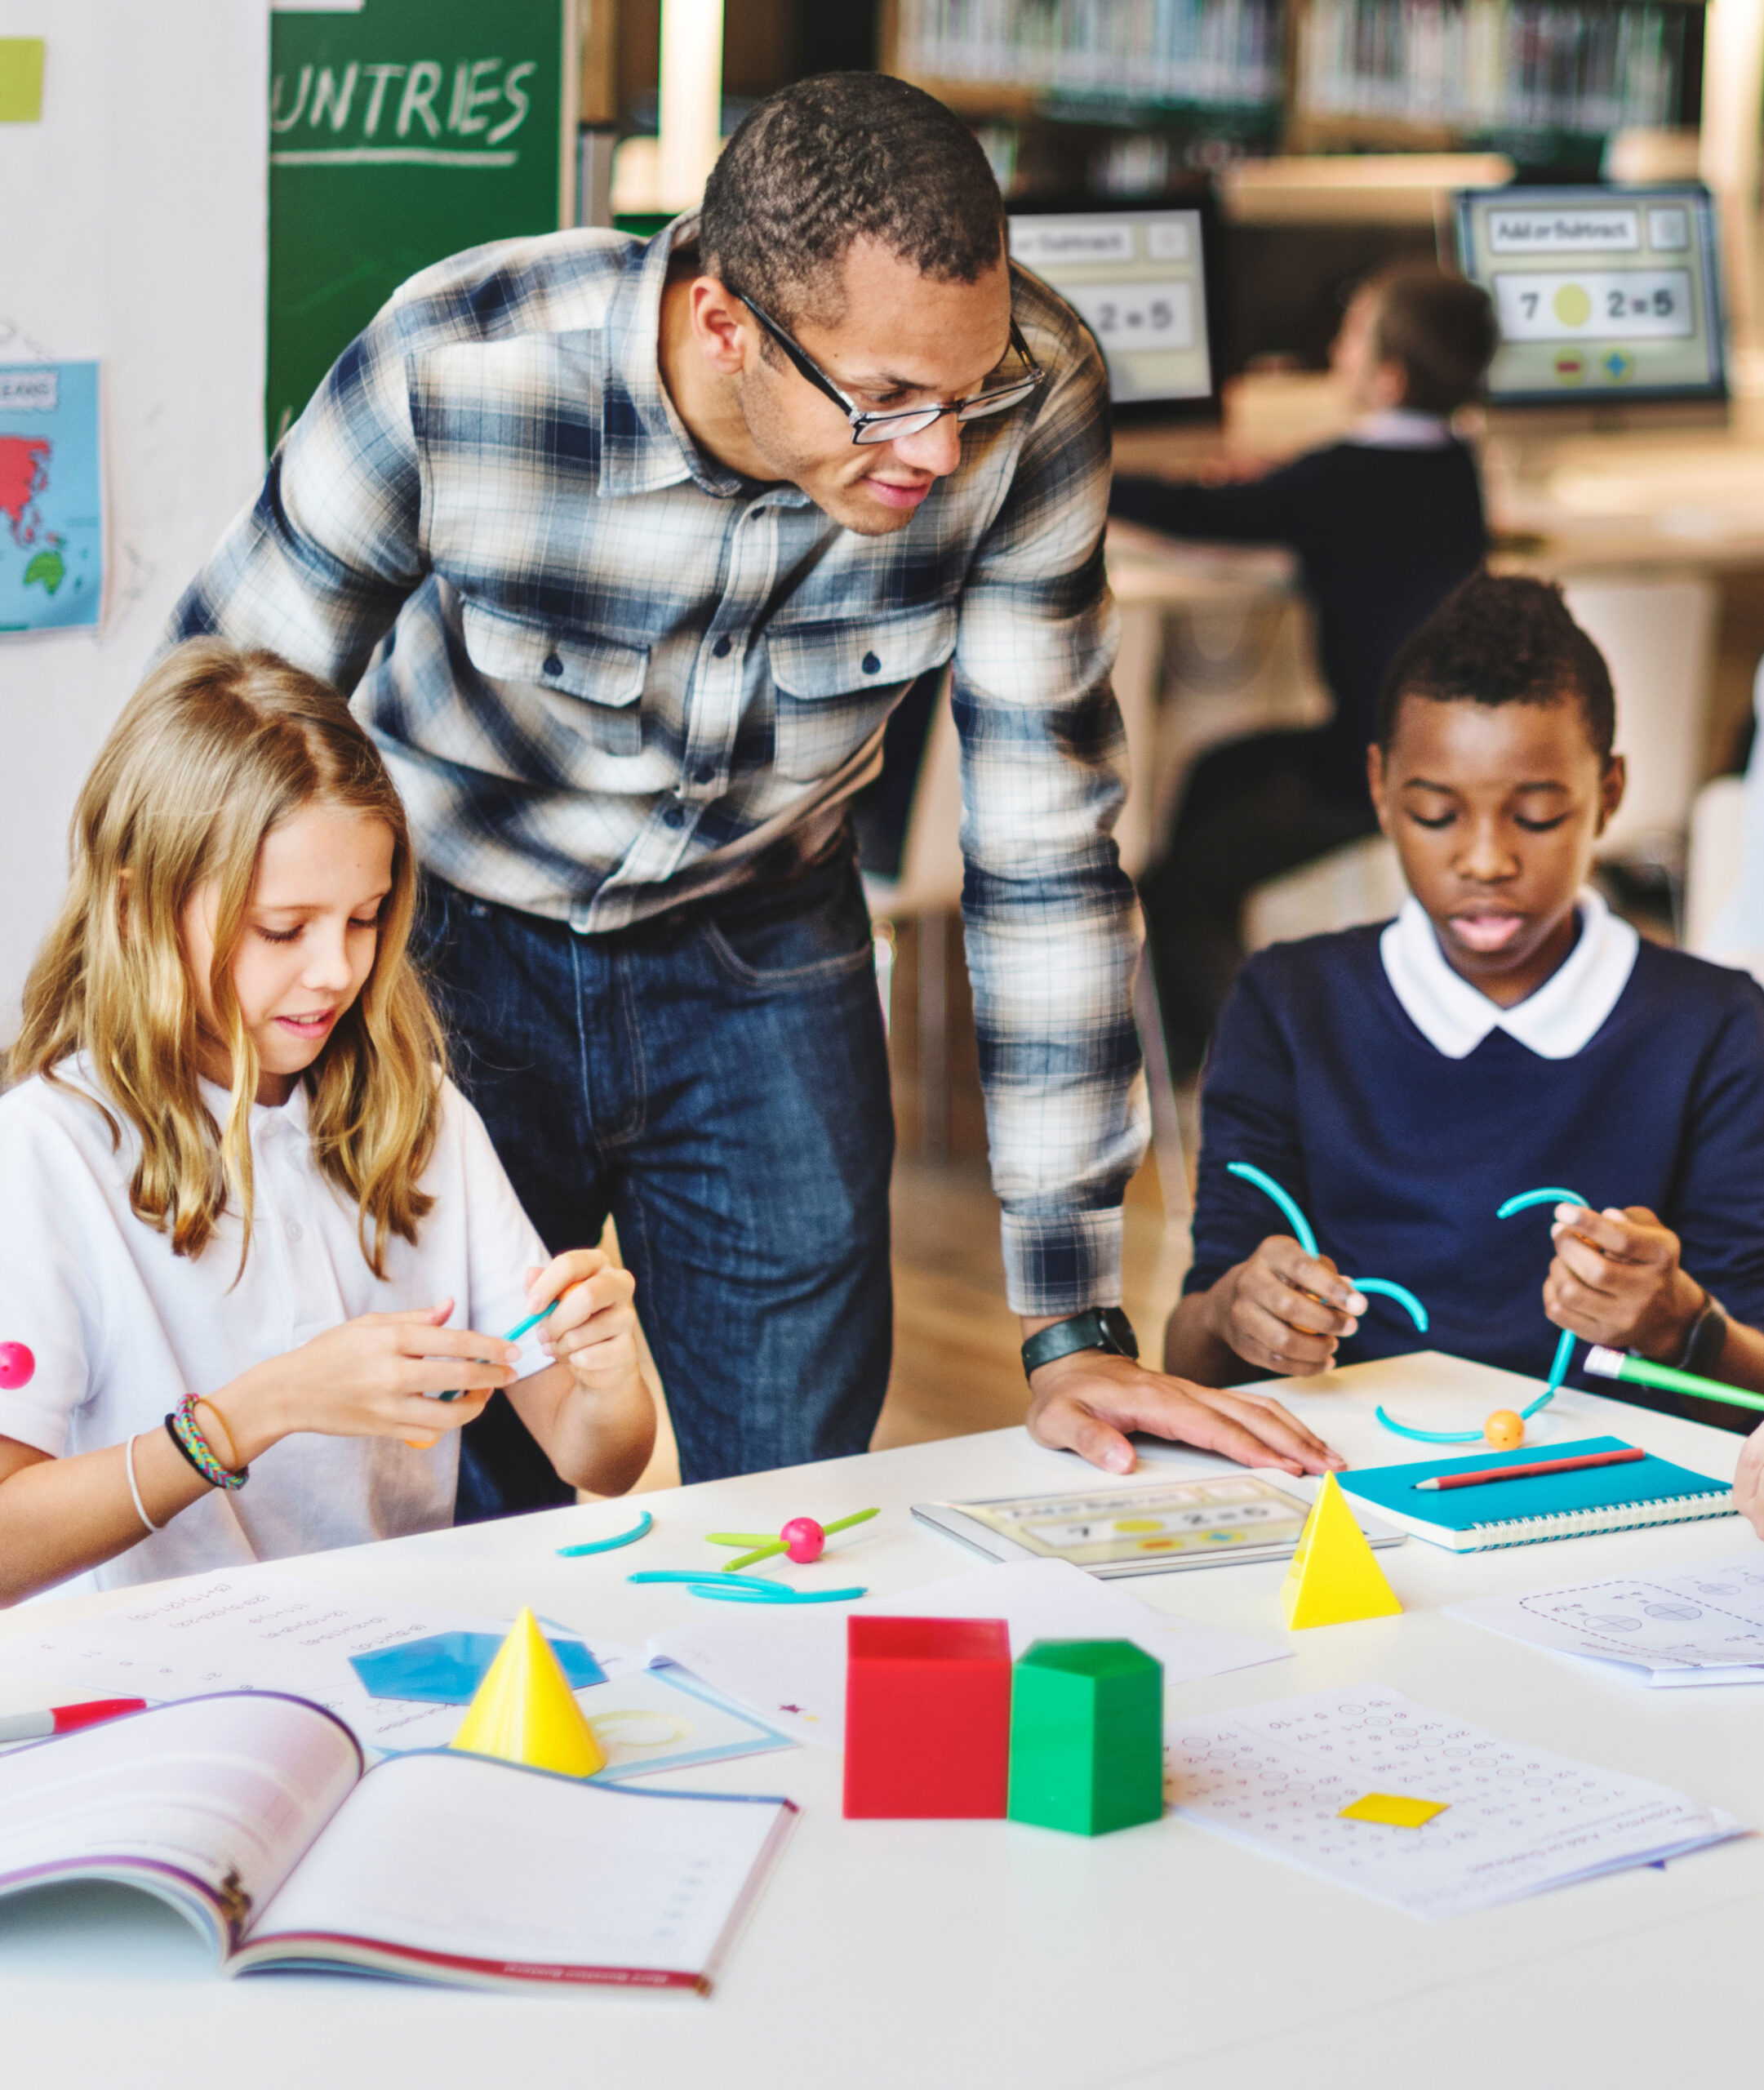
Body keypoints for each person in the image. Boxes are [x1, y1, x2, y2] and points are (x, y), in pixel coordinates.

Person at [167, 71, 1341, 1502]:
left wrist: (1069, 1322)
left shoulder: (1032, 398)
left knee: (798, 1496)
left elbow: (1045, 847)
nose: (941, 453)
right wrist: (166, 1100)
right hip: (440, 945)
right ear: (725, 323)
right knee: (454, 1479)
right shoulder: (461, 362)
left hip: (761, 936)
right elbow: (208, 743)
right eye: (890, 400)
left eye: (966, 394)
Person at [0, 642, 655, 1604]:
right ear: (139, 912)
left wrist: (609, 1372)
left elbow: (599, 1453)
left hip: (381, 1661)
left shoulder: (418, 1113)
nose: (337, 971)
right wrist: (267, 1407)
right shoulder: (46, 1150)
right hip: (144, 1697)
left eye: (365, 918)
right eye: (282, 929)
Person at [1166, 572, 1764, 1448]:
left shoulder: (1711, 1027)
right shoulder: (1288, 1004)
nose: (1485, 859)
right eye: (1436, 814)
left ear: (1610, 792)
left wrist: (1679, 1322)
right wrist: (1234, 1310)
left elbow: (1752, 1391)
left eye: (1536, 814)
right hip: (1339, 1487)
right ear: (1379, 789)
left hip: (1609, 1498)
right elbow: (1191, 1350)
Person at [1112, 264, 1497, 1070]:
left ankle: (1250, 1068)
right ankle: (1187, 1032)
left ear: (1385, 378)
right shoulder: (1455, 466)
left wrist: (1088, 470)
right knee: (1217, 771)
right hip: (1422, 749)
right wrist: (1284, 482)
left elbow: (1204, 515)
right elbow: (1317, 499)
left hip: (1366, 772)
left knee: (1175, 883)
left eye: (1350, 336)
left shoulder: (1340, 478)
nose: (1333, 347)